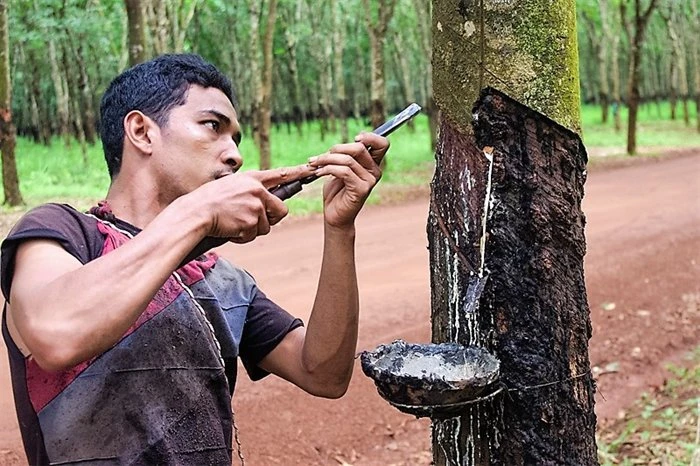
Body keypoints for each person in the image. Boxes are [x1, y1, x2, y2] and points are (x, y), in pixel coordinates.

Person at [1, 54, 389, 464]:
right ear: (141, 132)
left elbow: (324, 373)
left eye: (236, 139)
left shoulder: (223, 280)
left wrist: (340, 229)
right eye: (213, 126)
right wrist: (200, 213)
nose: (234, 155)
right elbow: (55, 332)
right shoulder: (61, 232)